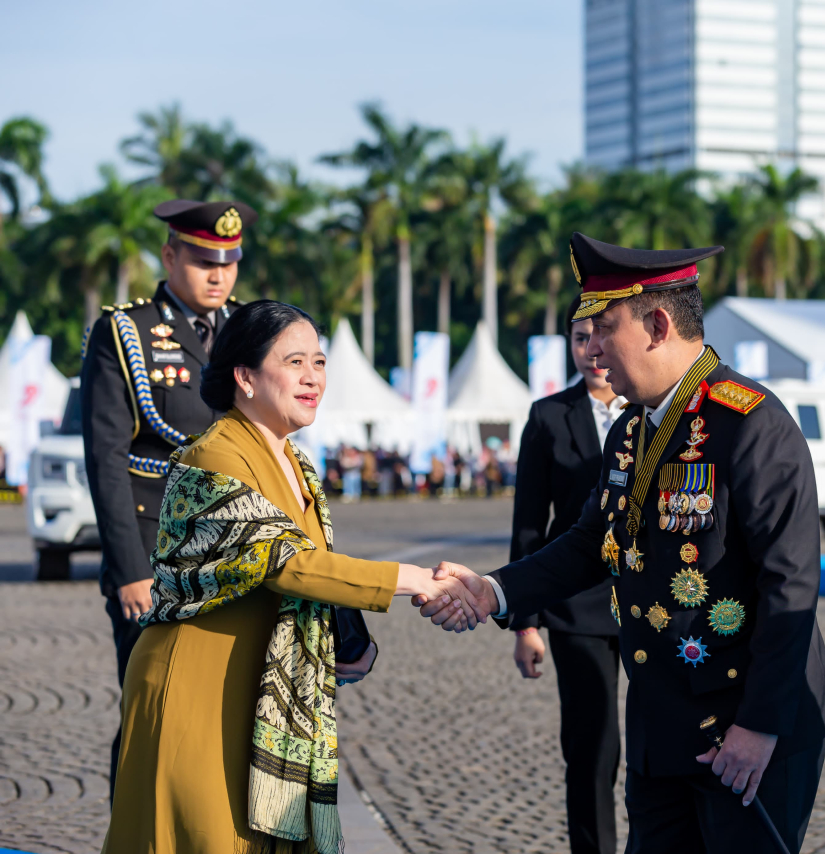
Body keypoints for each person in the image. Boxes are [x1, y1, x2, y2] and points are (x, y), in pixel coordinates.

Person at [421, 232, 825, 854]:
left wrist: (758, 726)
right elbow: (592, 540)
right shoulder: (631, 428)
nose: (591, 349)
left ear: (658, 325)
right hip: (660, 721)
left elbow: (791, 588)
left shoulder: (751, 424)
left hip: (744, 726)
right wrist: (494, 591)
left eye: (603, 328)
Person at [101, 300, 477, 854]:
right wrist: (415, 579)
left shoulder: (297, 464)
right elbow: (288, 563)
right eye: (294, 361)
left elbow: (314, 567)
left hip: (258, 688)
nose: (312, 377)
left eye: (319, 362)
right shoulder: (212, 457)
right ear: (245, 377)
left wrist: (350, 642)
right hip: (198, 687)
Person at [81, 198, 255, 795]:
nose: (219, 275)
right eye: (205, 261)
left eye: (229, 263)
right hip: (156, 545)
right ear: (170, 256)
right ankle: (133, 830)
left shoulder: (248, 329)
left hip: (236, 546)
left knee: (227, 711)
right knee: (152, 705)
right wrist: (129, 570)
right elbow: (106, 460)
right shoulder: (124, 332)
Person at [509, 295, 627, 854]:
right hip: (576, 604)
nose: (591, 351)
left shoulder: (653, 410)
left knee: (662, 738)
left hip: (649, 596)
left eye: (598, 336)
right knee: (592, 745)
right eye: (580, 339)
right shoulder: (547, 416)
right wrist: (525, 623)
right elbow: (529, 525)